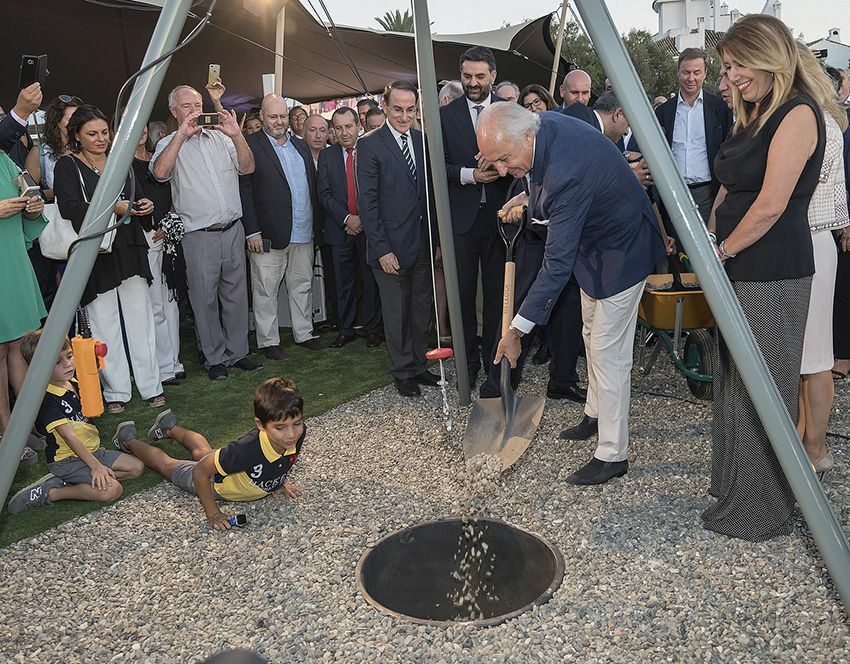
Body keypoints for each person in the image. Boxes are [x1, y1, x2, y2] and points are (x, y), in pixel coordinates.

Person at [478, 103, 665, 486]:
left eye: (503, 159)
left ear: (526, 136)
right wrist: (526, 198)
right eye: (494, 161)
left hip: (621, 252)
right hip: (593, 250)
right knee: (589, 334)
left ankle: (613, 454)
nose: (500, 171)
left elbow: (556, 265)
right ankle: (596, 414)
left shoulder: (567, 172)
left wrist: (515, 332)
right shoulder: (540, 128)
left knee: (608, 352)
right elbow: (539, 178)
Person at [704, 14, 826, 540]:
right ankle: (734, 492)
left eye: (735, 65)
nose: (729, 77)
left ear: (766, 55)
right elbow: (730, 190)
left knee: (764, 390)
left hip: (772, 271)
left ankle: (761, 509)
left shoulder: (798, 113)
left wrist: (720, 252)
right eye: (726, 68)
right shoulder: (752, 114)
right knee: (733, 385)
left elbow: (773, 204)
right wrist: (711, 239)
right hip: (736, 267)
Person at [54, 105, 164, 412]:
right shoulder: (67, 165)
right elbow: (70, 209)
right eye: (92, 133)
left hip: (129, 246)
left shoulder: (121, 160)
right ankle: (116, 392)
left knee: (140, 319)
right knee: (104, 325)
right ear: (76, 135)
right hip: (96, 252)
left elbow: (138, 194)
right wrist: (112, 208)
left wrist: (144, 206)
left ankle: (151, 386)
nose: (101, 139)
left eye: (104, 132)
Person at [151, 85, 260, 381]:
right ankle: (214, 359)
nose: (195, 111)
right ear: (174, 111)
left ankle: (238, 353)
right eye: (187, 106)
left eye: (198, 104)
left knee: (236, 296)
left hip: (233, 229)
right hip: (198, 235)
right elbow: (160, 173)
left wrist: (236, 133)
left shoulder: (221, 138)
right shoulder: (167, 144)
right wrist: (181, 136)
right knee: (204, 299)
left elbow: (248, 168)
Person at [112, 377, 304, 531]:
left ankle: (169, 428)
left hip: (230, 466)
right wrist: (213, 514)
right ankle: (128, 440)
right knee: (169, 465)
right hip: (215, 484)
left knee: (203, 452)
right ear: (260, 425)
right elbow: (200, 473)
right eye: (280, 427)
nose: (291, 434)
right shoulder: (246, 450)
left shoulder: (298, 434)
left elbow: (281, 460)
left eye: (296, 423)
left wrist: (277, 483)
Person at [357, 80, 440, 397]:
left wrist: (435, 242)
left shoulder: (422, 140)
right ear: (386, 105)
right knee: (396, 313)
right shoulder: (370, 145)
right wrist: (381, 250)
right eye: (398, 109)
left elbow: (429, 195)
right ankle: (402, 371)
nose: (405, 116)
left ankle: (419, 365)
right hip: (388, 248)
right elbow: (369, 203)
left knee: (420, 309)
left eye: (410, 109)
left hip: (421, 243)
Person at [7, 330, 145, 513]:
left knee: (136, 468)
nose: (67, 364)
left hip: (94, 451)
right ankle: (52, 491)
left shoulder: (74, 381)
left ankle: (81, 480)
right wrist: (96, 467)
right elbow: (69, 436)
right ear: (39, 367)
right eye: (57, 362)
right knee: (112, 490)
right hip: (67, 460)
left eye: (69, 356)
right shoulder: (46, 399)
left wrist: (97, 463)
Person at [795, 44, 849, 479]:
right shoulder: (814, 117)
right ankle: (803, 441)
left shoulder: (813, 121)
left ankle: (815, 448)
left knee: (814, 358)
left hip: (810, 242)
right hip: (807, 244)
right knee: (803, 358)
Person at [440, 46, 509, 388]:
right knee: (463, 298)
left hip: (501, 221)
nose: (473, 83)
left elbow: (524, 161)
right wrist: (470, 174)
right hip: (462, 222)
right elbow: (438, 165)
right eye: (467, 76)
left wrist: (499, 166)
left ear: (493, 76)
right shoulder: (445, 115)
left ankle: (495, 370)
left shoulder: (508, 113)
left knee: (498, 299)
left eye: (480, 76)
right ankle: (467, 369)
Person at [240, 94, 322, 359]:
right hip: (267, 233)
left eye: (283, 116)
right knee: (265, 289)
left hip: (303, 230)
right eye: (273, 116)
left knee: (302, 285)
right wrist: (252, 230)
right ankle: (268, 341)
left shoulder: (300, 146)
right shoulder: (250, 145)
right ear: (261, 117)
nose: (278, 121)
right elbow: (245, 189)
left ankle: (305, 333)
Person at [318, 106, 382, 350]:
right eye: (338, 128)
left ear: (358, 125)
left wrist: (363, 218)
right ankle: (345, 330)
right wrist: (347, 218)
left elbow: (378, 189)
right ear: (333, 130)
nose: (344, 132)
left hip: (370, 228)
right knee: (343, 283)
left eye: (348, 126)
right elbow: (323, 194)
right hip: (339, 228)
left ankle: (372, 330)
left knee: (370, 281)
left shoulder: (371, 151)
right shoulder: (327, 156)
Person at [0, 149, 46, 467]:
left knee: (21, 344)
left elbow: (26, 196)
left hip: (13, 259)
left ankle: (30, 426)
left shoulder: (3, 159)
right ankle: (6, 433)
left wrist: (33, 207)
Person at [655, 48, 734, 224]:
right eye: (686, 72)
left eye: (697, 72)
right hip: (673, 194)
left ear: (705, 73)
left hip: (708, 194)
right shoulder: (663, 112)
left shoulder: (721, 109)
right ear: (678, 73)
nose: (691, 78)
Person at [132, 123, 185, 385]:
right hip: (147, 238)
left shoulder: (157, 160)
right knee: (155, 307)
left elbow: (175, 193)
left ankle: (174, 362)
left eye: (144, 127)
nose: (141, 132)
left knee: (171, 302)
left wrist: (169, 221)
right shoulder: (123, 166)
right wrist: (158, 224)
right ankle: (163, 367)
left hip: (169, 237)